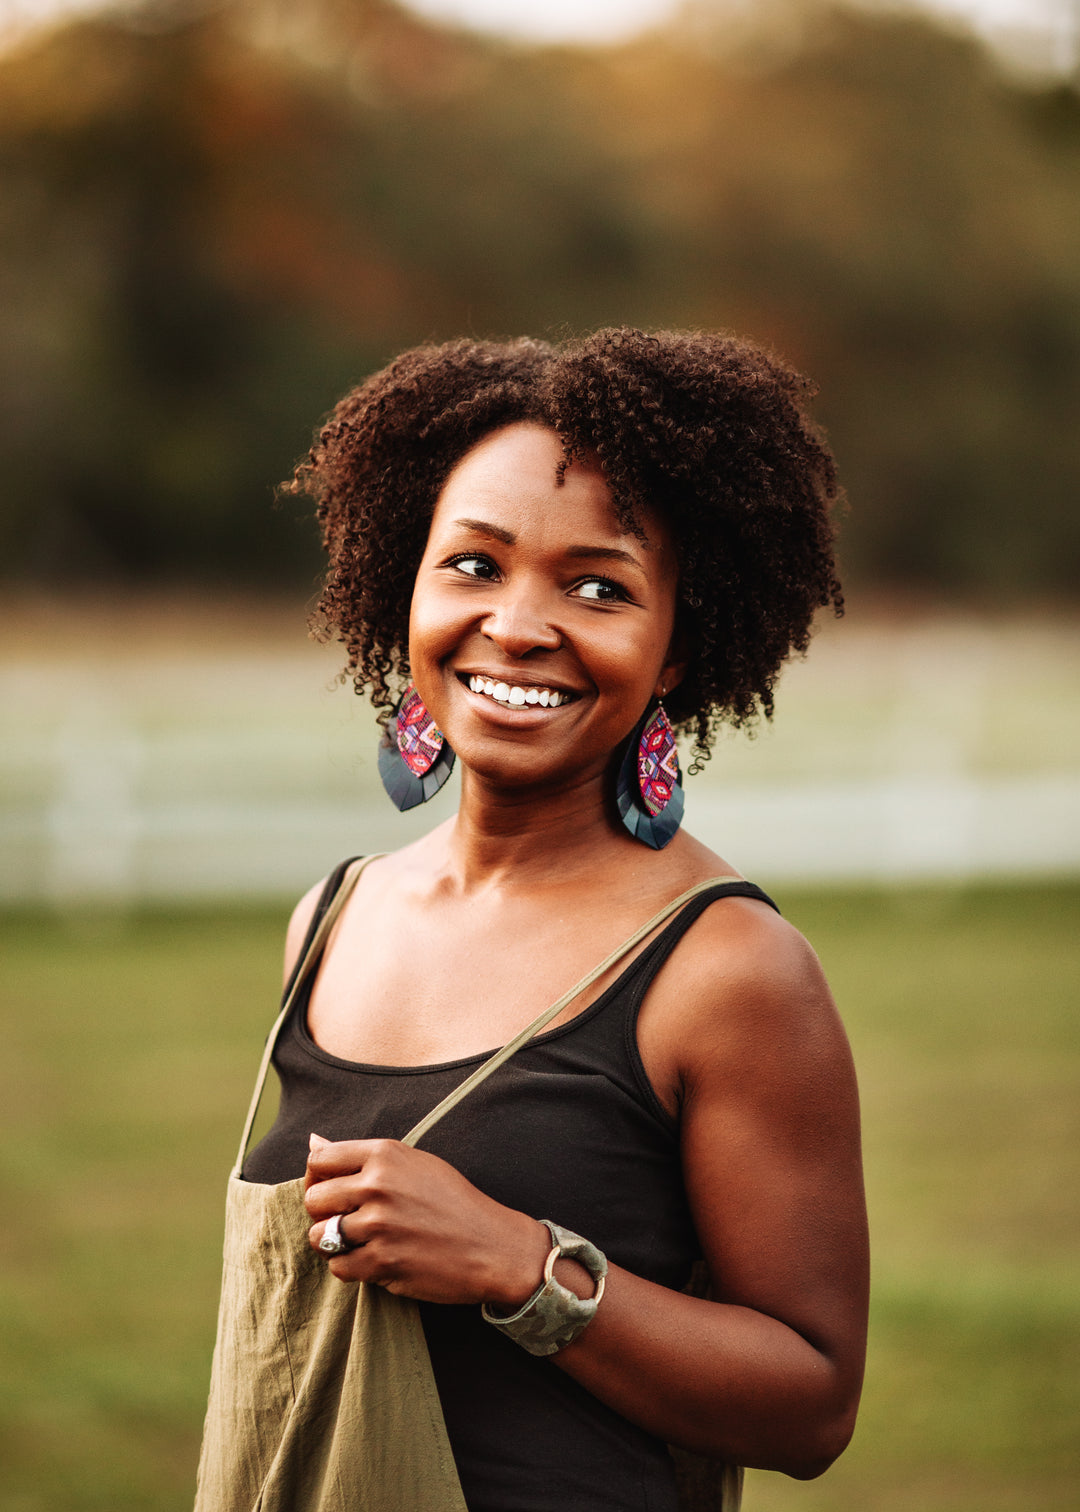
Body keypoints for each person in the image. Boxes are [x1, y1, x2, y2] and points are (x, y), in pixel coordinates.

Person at [195, 328, 869, 1512]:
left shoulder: (725, 970)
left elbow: (812, 1403)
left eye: (598, 587)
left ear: (673, 652)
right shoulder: (331, 919)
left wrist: (519, 1266)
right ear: (406, 586)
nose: (517, 625)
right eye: (473, 565)